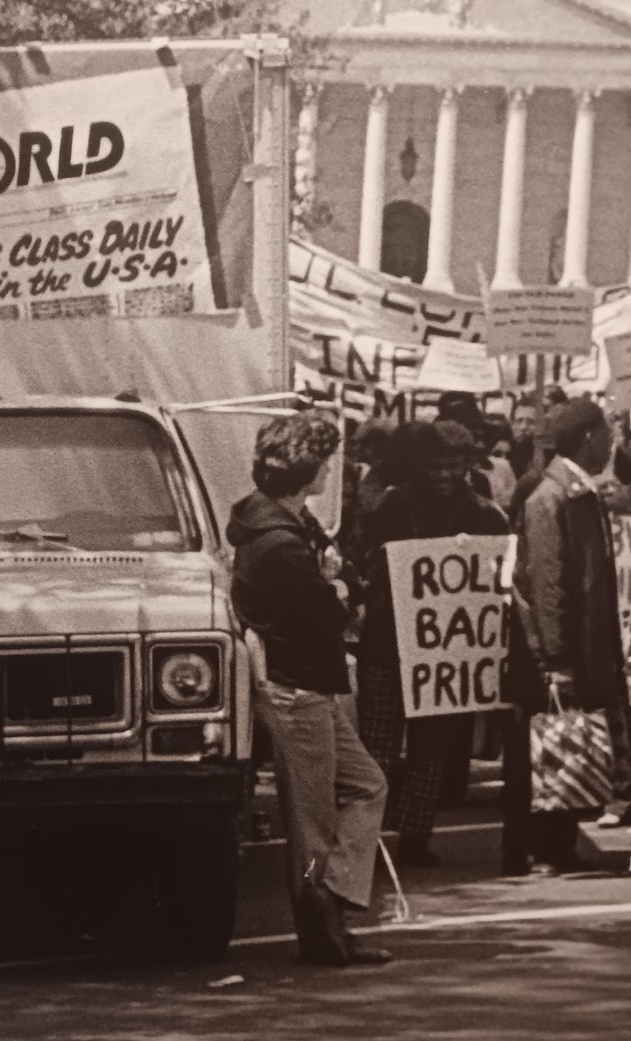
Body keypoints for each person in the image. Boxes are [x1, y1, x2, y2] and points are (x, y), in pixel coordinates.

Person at [227, 411, 391, 967]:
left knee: (366, 785)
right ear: (308, 467)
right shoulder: (281, 543)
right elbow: (324, 611)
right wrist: (342, 586)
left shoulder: (277, 524)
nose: (330, 468)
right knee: (312, 824)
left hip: (304, 683)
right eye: (324, 458)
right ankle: (322, 924)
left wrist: (337, 584)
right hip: (296, 686)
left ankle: (335, 896)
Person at [357, 421, 509, 867]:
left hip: (443, 656)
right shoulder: (394, 506)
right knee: (379, 751)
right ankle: (364, 842)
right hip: (388, 647)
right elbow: (366, 556)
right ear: (421, 465)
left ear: (466, 465)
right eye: (435, 466)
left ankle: (415, 838)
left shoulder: (484, 514)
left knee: (430, 750)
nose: (444, 475)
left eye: (453, 466)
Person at [508, 398, 631, 869]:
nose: (611, 444)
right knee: (551, 746)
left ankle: (560, 845)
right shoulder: (550, 497)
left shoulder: (578, 493)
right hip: (562, 654)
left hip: (587, 648)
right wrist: (556, 661)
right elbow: (548, 586)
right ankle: (543, 850)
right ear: (587, 439)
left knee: (573, 745)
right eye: (605, 435)